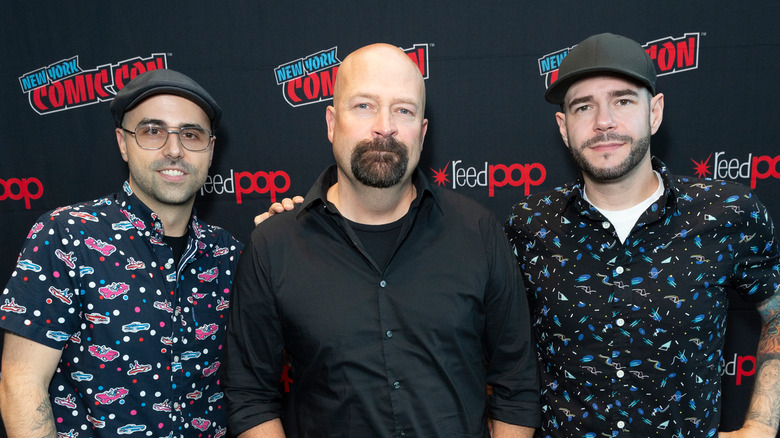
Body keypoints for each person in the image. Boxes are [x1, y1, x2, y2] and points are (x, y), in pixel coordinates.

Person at [222, 43, 540, 437]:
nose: (384, 126)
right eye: (364, 106)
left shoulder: (479, 233)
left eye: (403, 110)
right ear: (331, 123)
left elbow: (517, 385)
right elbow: (250, 397)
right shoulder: (274, 245)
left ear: (422, 133)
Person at [504, 33, 780, 438]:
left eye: (623, 100)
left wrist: (759, 426)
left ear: (655, 112)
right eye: (584, 106)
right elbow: (489, 345)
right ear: (563, 127)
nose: (604, 121)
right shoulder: (528, 226)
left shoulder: (729, 213)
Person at [0, 69, 243, 437]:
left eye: (191, 134)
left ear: (210, 149)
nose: (174, 150)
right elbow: (21, 382)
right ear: (123, 143)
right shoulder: (67, 234)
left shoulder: (230, 254)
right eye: (152, 131)